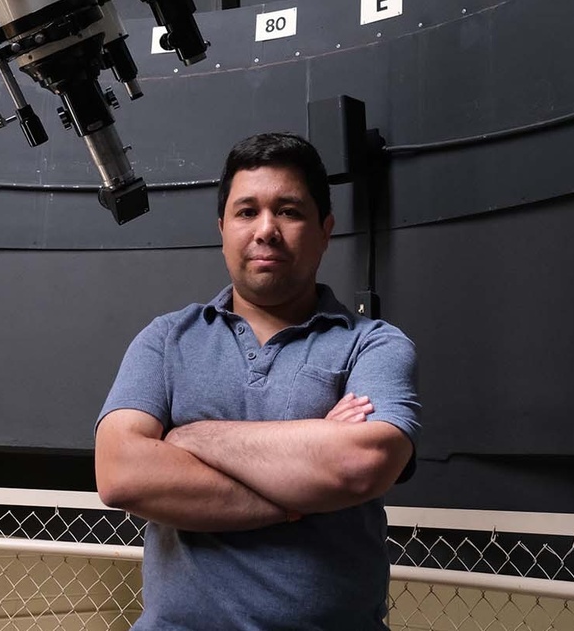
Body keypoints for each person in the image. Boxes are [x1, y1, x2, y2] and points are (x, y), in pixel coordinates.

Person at [93, 132, 421, 630]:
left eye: (289, 211)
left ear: (325, 229)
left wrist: (190, 437)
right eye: (247, 212)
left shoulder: (374, 344)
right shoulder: (167, 339)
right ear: (222, 227)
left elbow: (360, 464)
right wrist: (301, 485)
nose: (266, 229)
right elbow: (121, 474)